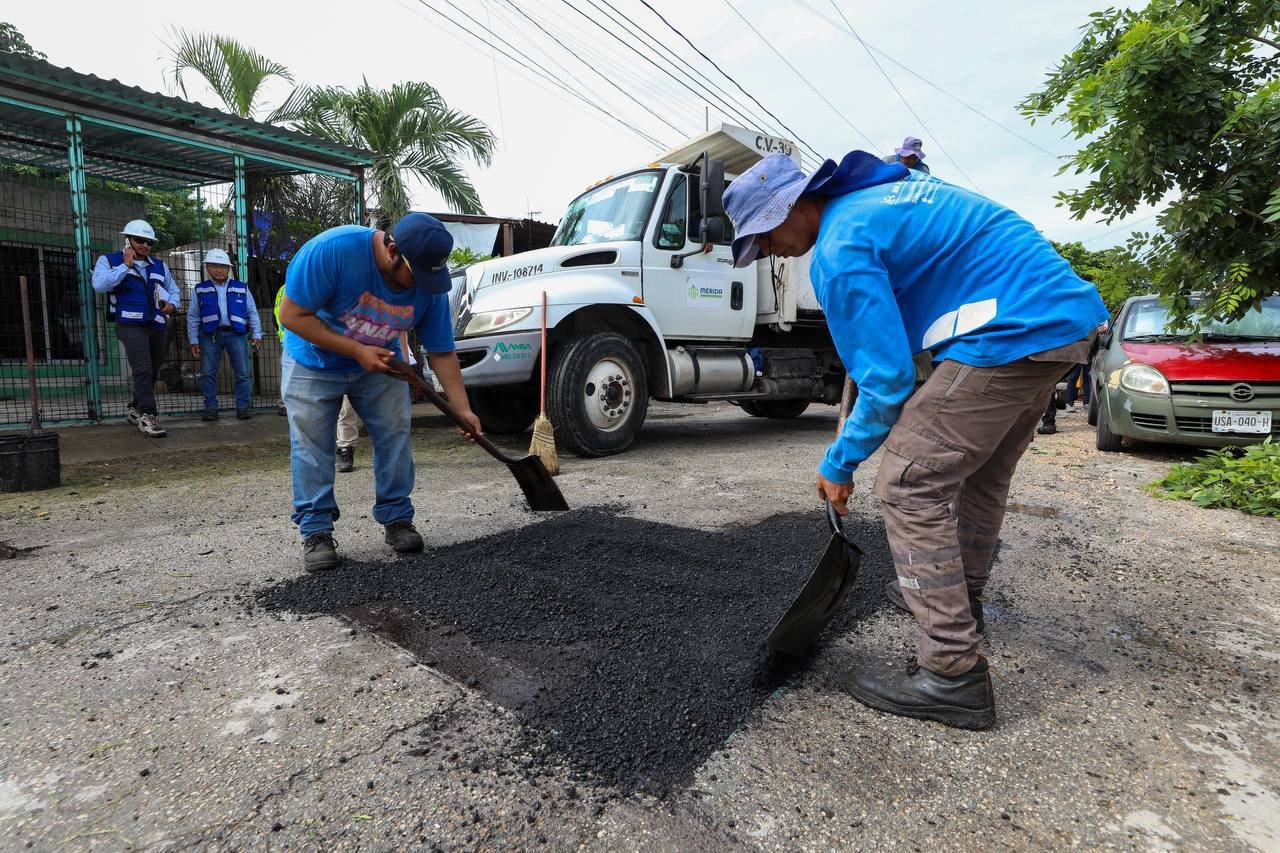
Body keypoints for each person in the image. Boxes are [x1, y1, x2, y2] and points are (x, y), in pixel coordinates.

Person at [724, 152, 1107, 730]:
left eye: (766, 235)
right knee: (979, 476)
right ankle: (961, 602)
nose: (769, 251)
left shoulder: (840, 247)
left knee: (907, 482)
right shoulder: (873, 203)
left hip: (1011, 329)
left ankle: (951, 673)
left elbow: (888, 382)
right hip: (1060, 322)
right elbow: (897, 342)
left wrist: (840, 462)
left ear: (795, 204)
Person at [277, 213, 481, 572]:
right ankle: (316, 530)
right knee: (312, 445)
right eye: (414, 275)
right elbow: (291, 315)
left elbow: (441, 350)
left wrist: (462, 409)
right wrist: (357, 351)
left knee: (395, 435)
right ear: (391, 251)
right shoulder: (332, 252)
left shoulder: (428, 284)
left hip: (381, 362)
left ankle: (397, 517)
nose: (420, 285)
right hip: (313, 362)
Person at [91, 219, 181, 437]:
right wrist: (126, 266)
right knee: (143, 368)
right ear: (128, 240)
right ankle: (148, 416)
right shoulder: (109, 260)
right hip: (129, 324)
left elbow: (174, 290)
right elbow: (99, 284)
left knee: (153, 369)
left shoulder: (159, 266)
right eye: (140, 240)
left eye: (149, 242)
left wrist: (172, 305)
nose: (145, 246)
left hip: (156, 323)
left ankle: (135, 407)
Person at [187, 249, 263, 420]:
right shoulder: (200, 289)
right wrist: (194, 340)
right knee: (207, 373)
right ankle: (211, 409)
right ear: (207, 267)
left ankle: (243, 407)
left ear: (229, 268)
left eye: (223, 266)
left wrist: (257, 334)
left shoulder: (241, 288)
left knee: (242, 373)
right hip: (210, 335)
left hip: (236, 334)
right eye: (214, 265)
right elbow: (193, 316)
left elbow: (252, 313)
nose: (219, 270)